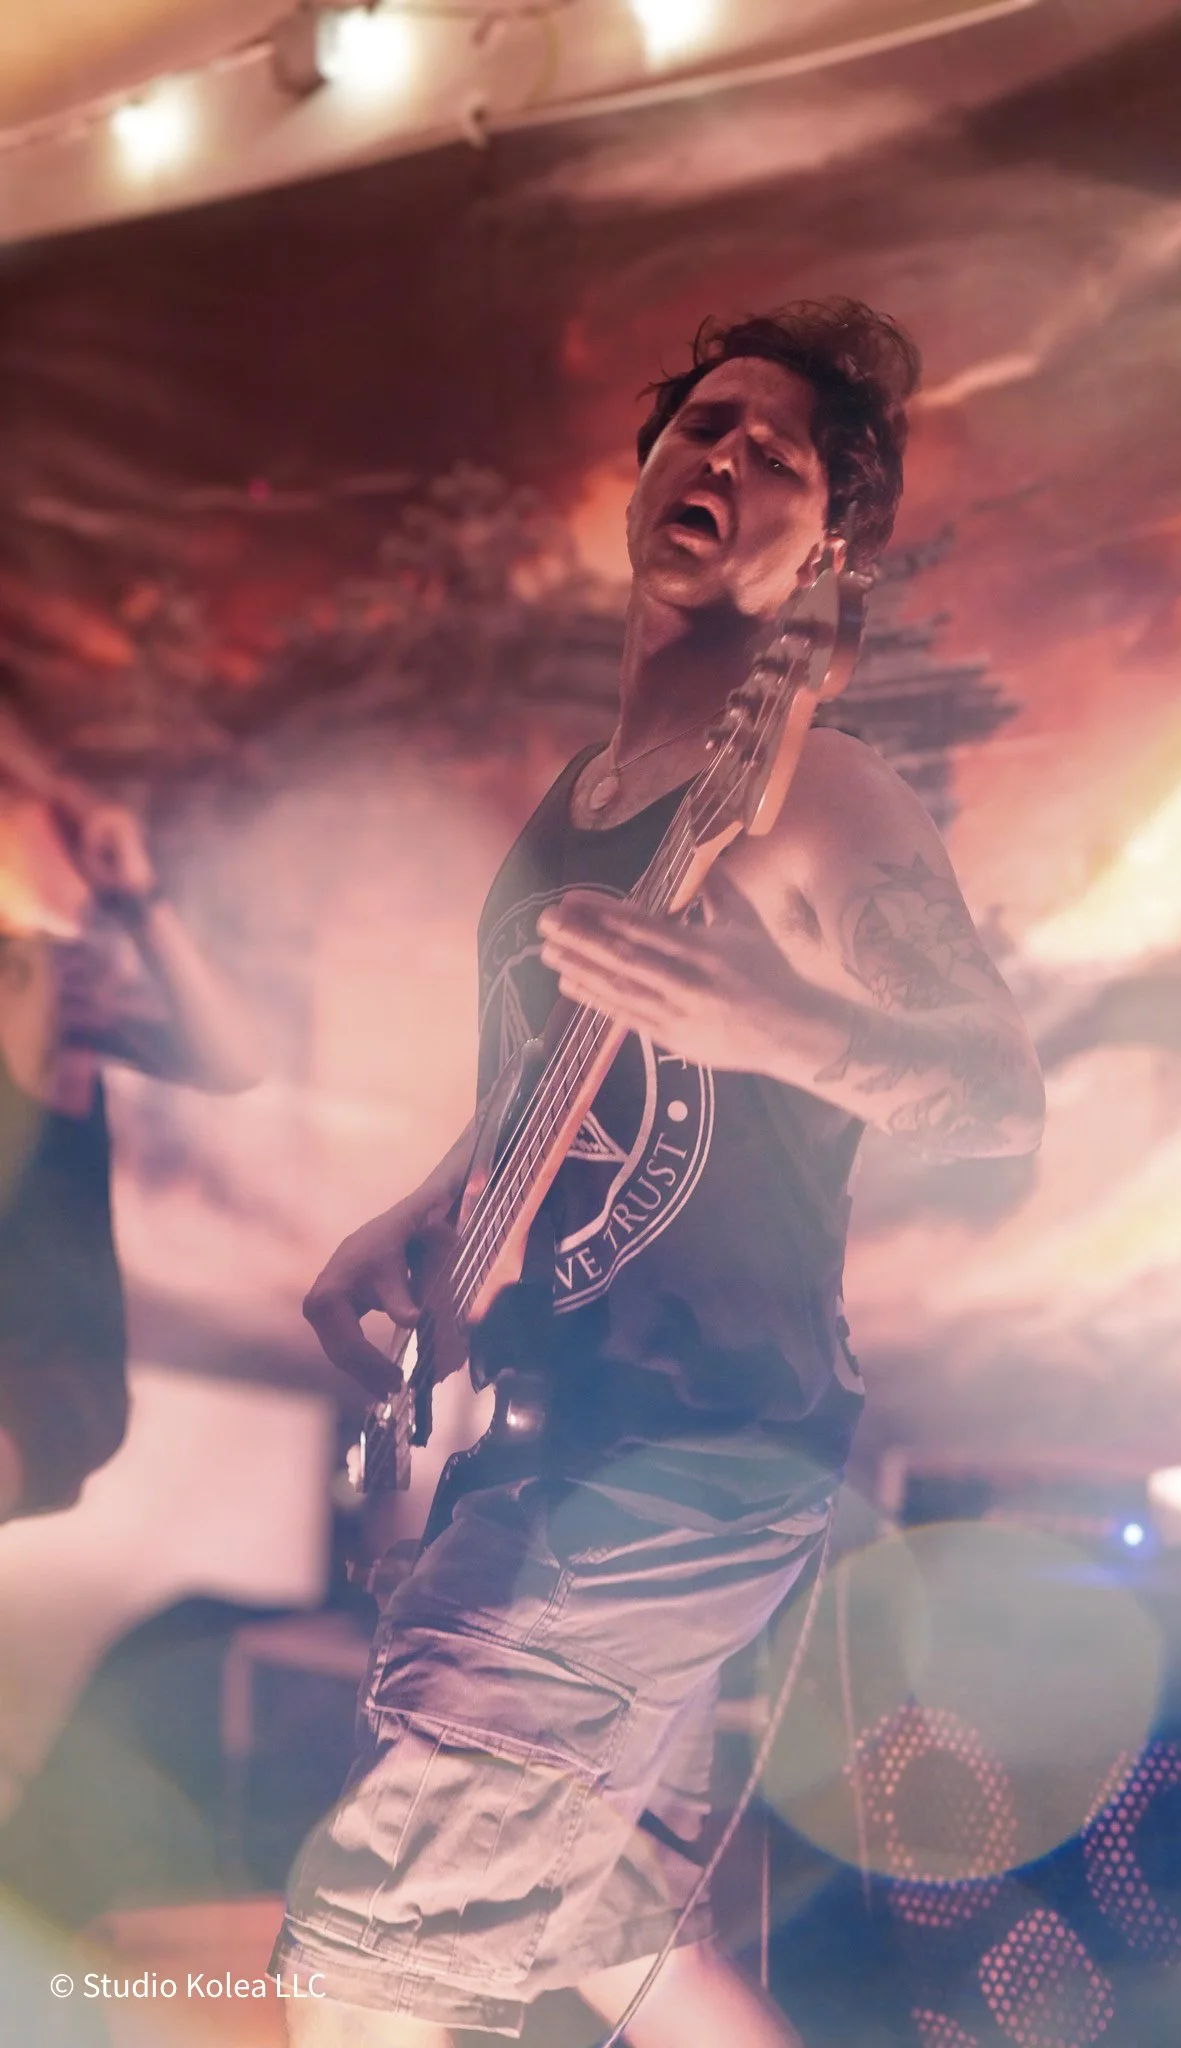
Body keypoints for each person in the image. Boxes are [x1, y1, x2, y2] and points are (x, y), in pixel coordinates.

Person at [278, 300, 1045, 2046]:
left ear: (827, 545)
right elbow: (569, 1084)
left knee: (374, 1957)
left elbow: (1000, 1098)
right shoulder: (582, 791)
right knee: (611, 1941)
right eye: (708, 423)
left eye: (784, 456)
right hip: (559, 1426)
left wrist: (778, 1017)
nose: (730, 456)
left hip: (689, 1457)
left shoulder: (820, 794)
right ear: (644, 474)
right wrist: (423, 1210)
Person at [0, 706, 264, 1521]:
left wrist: (139, 897)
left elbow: (231, 1061)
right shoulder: (32, 983)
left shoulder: (37, 977)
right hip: (54, 1384)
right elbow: (233, 1062)